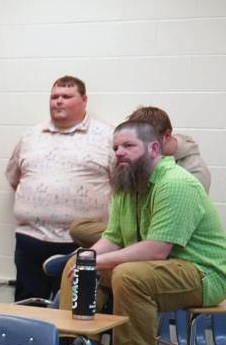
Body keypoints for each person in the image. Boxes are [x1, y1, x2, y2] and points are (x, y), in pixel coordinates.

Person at [57, 120, 226, 345]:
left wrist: (97, 262)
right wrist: (86, 259)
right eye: (115, 147)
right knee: (76, 264)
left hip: (203, 274)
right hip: (159, 270)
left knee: (128, 274)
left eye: (128, 146)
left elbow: (157, 249)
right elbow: (112, 238)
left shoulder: (176, 184)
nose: (119, 152)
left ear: (154, 148)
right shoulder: (127, 182)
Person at [6, 76, 114, 301]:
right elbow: (14, 178)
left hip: (81, 242)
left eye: (66, 96)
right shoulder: (31, 135)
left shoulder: (106, 137)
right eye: (54, 96)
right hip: (31, 239)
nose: (59, 101)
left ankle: (67, 340)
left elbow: (122, 187)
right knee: (27, 304)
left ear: (84, 100)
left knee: (72, 308)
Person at [69, 106, 211, 247]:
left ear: (166, 137)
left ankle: (107, 254)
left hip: (168, 234)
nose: (120, 151)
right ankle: (99, 253)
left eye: (132, 143)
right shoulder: (132, 160)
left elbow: (177, 222)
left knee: (131, 262)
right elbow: (120, 211)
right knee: (80, 227)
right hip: (134, 229)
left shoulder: (193, 170)